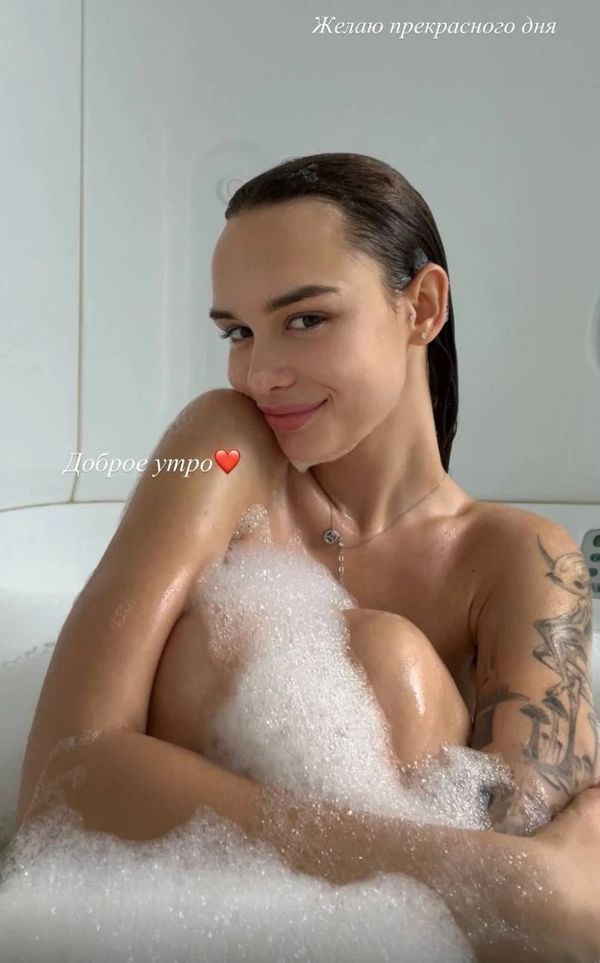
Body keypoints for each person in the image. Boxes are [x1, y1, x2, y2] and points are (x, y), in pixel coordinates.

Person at [15, 153, 600, 961]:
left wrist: (509, 886)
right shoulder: (225, 451)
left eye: (306, 319)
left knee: (388, 662)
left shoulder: (518, 559)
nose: (261, 374)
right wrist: (491, 880)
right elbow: (61, 781)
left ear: (422, 307)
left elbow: (553, 893)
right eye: (238, 332)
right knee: (383, 657)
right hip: (168, 929)